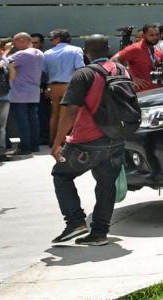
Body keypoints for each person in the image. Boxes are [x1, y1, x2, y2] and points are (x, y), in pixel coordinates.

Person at [49, 34, 130, 247]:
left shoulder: (84, 74)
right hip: (116, 137)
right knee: (106, 184)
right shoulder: (122, 70)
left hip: (87, 139)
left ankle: (75, 221)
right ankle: (100, 233)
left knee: (61, 175)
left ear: (86, 52)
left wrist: (57, 142)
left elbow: (70, 111)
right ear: (108, 49)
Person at [5, 32, 45, 155]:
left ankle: (25, 146)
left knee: (23, 120)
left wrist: (6, 51)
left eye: (15, 42)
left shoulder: (22, 54)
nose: (14, 45)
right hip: (33, 91)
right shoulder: (39, 53)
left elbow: (3, 64)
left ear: (22, 40)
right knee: (33, 119)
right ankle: (34, 145)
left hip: (19, 93)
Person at [42, 29, 83, 149]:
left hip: (52, 86)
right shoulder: (76, 50)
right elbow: (80, 68)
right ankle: (62, 140)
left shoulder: (47, 53)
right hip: (69, 86)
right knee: (66, 114)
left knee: (54, 113)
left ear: (57, 39)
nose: (51, 41)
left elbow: (44, 71)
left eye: (51, 39)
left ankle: (52, 139)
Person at [114, 23, 162, 92]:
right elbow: (114, 60)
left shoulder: (158, 51)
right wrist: (132, 78)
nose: (155, 37)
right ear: (144, 35)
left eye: (157, 35)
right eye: (151, 35)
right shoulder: (135, 48)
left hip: (156, 92)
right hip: (140, 94)